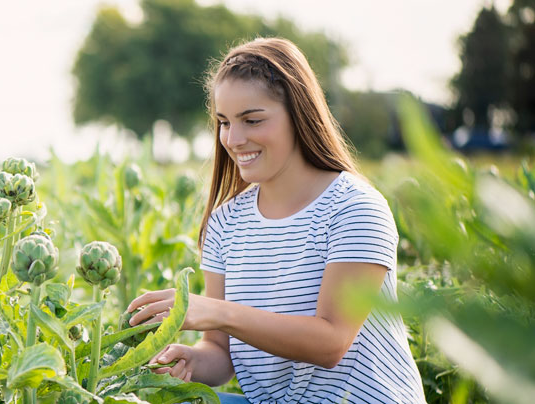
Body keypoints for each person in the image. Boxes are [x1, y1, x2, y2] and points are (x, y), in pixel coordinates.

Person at [125, 38, 427, 403]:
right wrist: (189, 359)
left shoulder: (355, 208)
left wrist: (216, 311)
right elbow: (220, 355)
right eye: (224, 122)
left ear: (298, 115)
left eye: (252, 120)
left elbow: (331, 342)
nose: (233, 139)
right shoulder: (225, 223)